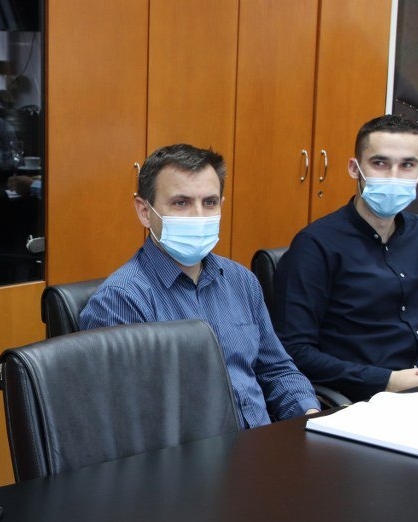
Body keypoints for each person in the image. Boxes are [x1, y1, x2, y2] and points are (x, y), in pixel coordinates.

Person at [79, 143, 320, 428]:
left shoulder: (241, 281)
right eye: (181, 203)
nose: (199, 216)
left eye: (210, 203)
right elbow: (128, 419)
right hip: (192, 452)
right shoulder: (120, 301)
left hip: (264, 443)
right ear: (145, 211)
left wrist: (311, 417)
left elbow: (276, 370)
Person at [272, 114, 418, 402]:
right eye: (380, 163)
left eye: (406, 165)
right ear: (354, 168)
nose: (394, 176)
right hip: (365, 400)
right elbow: (295, 350)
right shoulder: (315, 245)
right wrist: (388, 381)